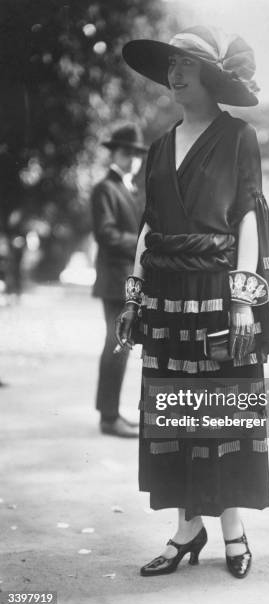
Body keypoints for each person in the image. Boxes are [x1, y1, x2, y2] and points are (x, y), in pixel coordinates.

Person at [116, 25, 269, 577]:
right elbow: (147, 227)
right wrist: (134, 296)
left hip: (217, 293)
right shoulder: (160, 145)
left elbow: (248, 220)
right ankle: (187, 533)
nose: (175, 71)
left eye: (186, 63)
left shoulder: (239, 137)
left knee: (219, 412)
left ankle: (232, 529)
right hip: (166, 296)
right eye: (170, 63)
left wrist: (241, 299)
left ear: (209, 74)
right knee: (174, 411)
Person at [91, 124, 148, 437]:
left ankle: (111, 414)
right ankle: (109, 417)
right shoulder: (105, 188)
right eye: (127, 152)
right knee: (116, 344)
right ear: (113, 152)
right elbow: (106, 234)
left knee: (121, 345)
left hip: (126, 278)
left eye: (137, 155)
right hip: (114, 279)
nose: (132, 160)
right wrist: (143, 243)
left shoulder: (129, 188)